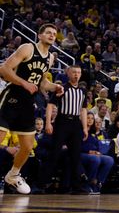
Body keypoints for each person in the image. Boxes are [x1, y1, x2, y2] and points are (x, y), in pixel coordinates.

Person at [0, 23, 63, 194]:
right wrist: (23, 83)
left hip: (28, 103)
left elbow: (41, 81)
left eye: (54, 33)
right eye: (48, 32)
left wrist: (54, 86)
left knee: (27, 147)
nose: (52, 35)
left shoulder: (50, 58)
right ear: (40, 35)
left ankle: (13, 175)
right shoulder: (27, 48)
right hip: (12, 96)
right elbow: (4, 68)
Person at [43, 64, 89, 194]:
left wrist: (85, 127)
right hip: (62, 121)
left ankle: (76, 186)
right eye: (74, 72)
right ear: (68, 73)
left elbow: (83, 110)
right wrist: (48, 123)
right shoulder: (61, 87)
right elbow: (51, 105)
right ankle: (42, 183)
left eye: (79, 72)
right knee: (54, 154)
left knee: (75, 156)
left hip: (75, 123)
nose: (76, 75)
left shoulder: (82, 91)